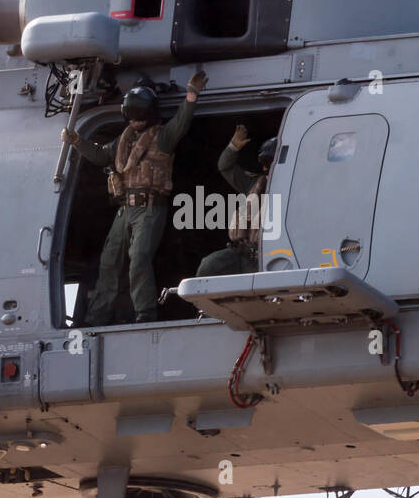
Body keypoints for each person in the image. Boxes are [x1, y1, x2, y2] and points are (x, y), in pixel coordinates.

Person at [63, 70, 207, 324]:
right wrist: (76, 141)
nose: (135, 121)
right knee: (109, 263)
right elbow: (100, 156)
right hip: (124, 210)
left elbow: (181, 123)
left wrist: (192, 94)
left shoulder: (162, 137)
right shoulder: (124, 139)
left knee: (139, 259)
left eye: (139, 116)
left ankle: (145, 313)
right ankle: (97, 316)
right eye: (131, 116)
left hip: (150, 208)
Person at [196, 126, 276, 277]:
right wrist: (233, 147)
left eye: (271, 163)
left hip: (268, 255)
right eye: (265, 163)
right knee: (208, 267)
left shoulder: (293, 190)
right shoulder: (254, 184)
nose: (267, 168)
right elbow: (225, 167)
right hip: (241, 252)